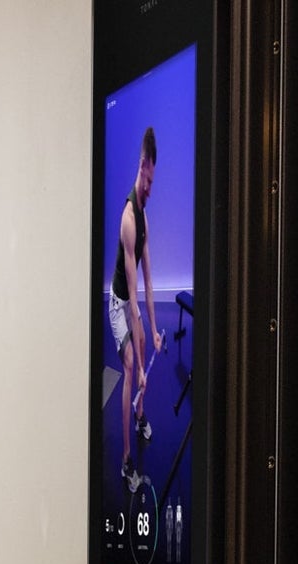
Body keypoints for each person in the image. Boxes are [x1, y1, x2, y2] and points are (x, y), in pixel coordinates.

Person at [109, 124, 164, 495]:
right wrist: (141, 367)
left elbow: (147, 285)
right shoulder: (129, 220)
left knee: (144, 345)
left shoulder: (145, 216)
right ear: (141, 165)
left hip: (133, 302)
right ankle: (127, 459)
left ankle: (140, 413)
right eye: (148, 180)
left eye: (152, 181)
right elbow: (130, 294)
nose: (150, 187)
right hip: (117, 305)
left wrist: (156, 330)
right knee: (132, 366)